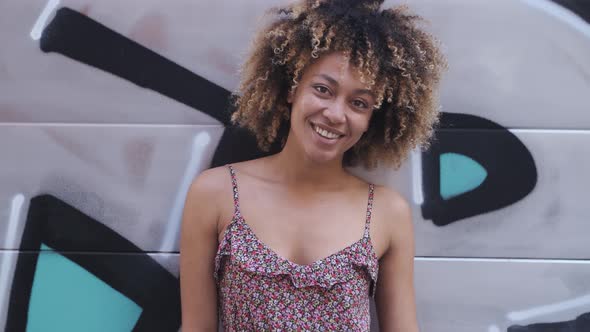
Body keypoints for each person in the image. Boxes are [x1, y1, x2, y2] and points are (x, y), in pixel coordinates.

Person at [180, 0, 446, 330]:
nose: (335, 114)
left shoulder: (386, 212)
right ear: (292, 88)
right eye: (323, 89)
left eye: (359, 103)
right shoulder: (215, 193)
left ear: (371, 118)